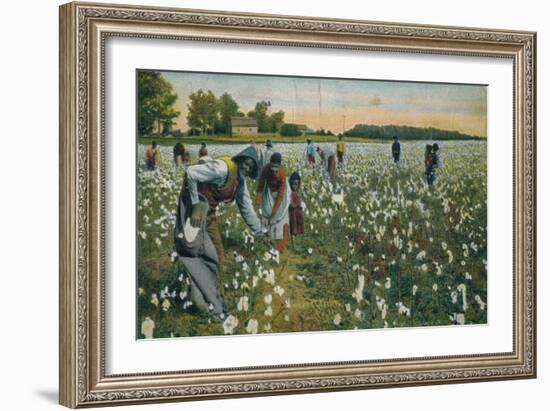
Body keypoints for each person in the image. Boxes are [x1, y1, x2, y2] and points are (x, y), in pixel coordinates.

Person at [174, 146, 265, 319]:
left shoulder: (240, 183)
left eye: (251, 168)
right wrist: (195, 207)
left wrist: (260, 231)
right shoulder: (223, 168)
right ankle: (199, 302)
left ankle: (212, 300)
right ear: (240, 159)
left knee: (217, 256)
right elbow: (191, 173)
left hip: (209, 214)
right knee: (194, 253)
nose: (247, 169)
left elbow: (247, 209)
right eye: (246, 164)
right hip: (193, 209)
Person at [255, 153, 290, 253]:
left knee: (279, 217)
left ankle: (279, 244)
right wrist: (257, 205)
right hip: (269, 191)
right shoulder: (266, 169)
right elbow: (260, 187)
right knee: (266, 214)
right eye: (272, 167)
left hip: (280, 193)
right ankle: (267, 240)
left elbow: (280, 196)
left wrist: (274, 215)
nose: (274, 170)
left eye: (276, 167)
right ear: (270, 164)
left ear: (280, 165)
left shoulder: (282, 173)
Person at [288, 172, 304, 249]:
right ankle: (294, 246)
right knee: (293, 230)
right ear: (290, 184)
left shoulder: (297, 193)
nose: (295, 186)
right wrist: (297, 204)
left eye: (297, 184)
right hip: (292, 214)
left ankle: (295, 244)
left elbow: (299, 201)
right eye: (294, 184)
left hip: (297, 214)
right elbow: (290, 204)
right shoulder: (290, 193)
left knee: (296, 229)